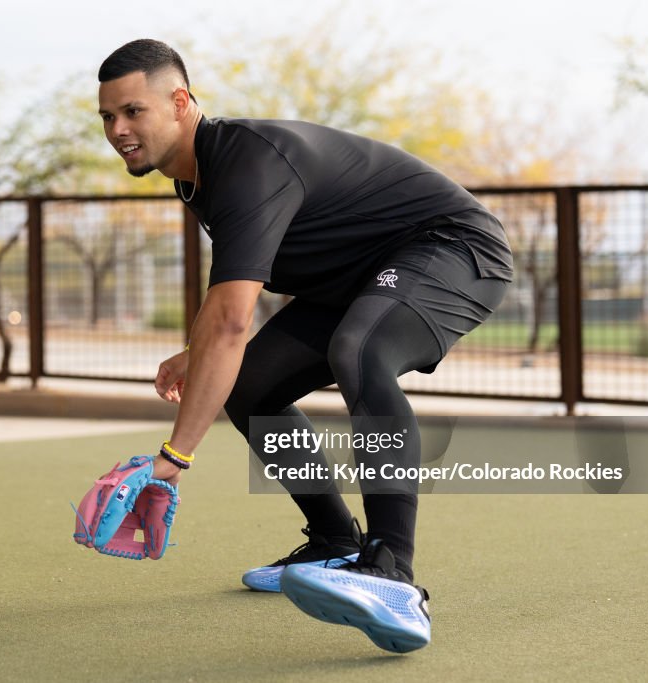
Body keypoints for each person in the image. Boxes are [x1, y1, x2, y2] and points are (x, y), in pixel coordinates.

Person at [96, 39, 512, 653]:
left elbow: (234, 320)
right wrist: (198, 351)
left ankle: (393, 572)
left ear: (180, 102)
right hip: (357, 280)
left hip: (452, 249)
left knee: (361, 352)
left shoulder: (243, 162)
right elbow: (227, 300)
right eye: (107, 117)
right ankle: (336, 544)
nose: (118, 130)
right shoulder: (195, 179)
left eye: (134, 111)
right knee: (249, 385)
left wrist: (173, 459)